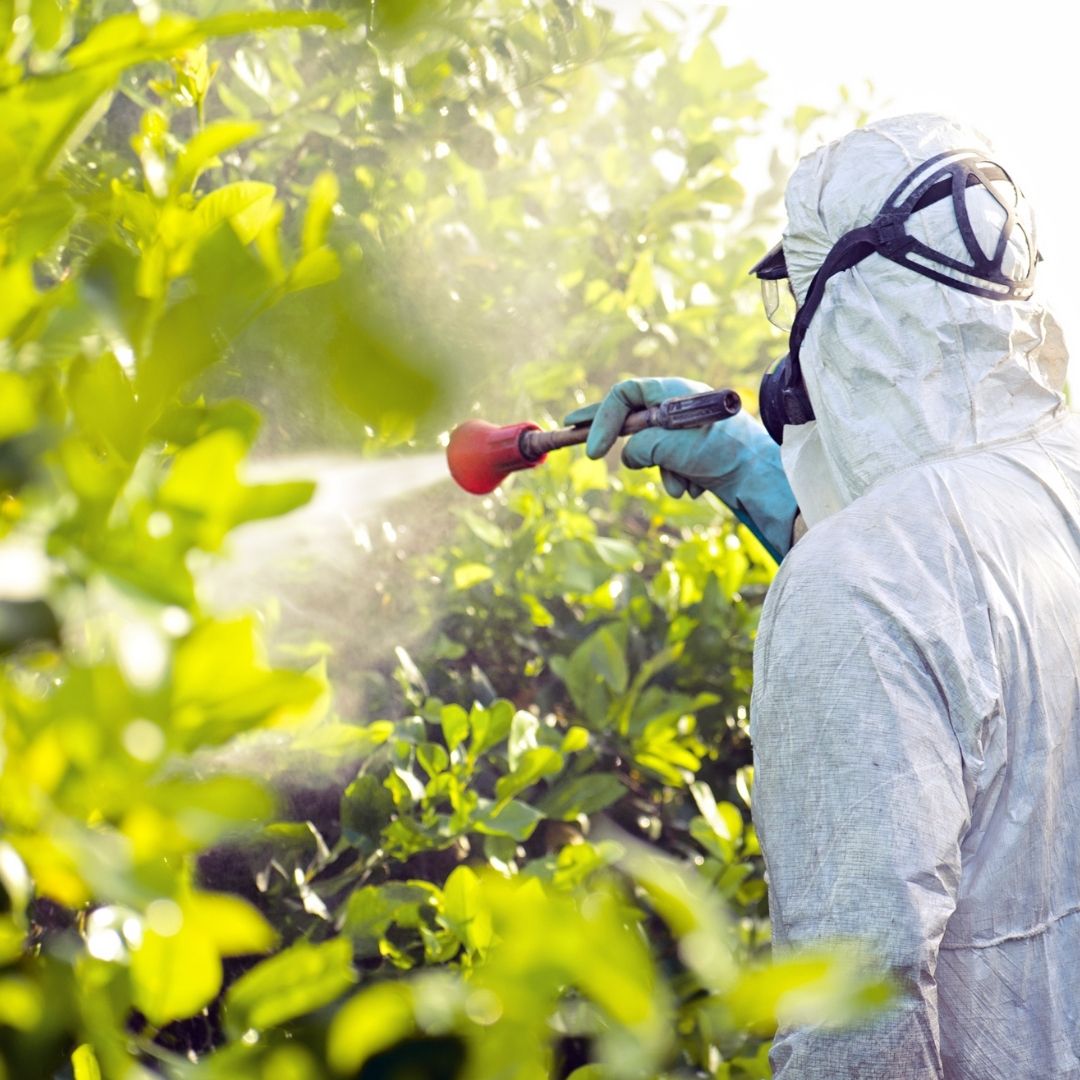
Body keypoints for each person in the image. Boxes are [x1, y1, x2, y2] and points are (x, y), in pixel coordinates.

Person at [577, 114, 1080, 1077]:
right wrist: (760, 477)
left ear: (845, 313)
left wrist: (824, 556)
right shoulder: (1056, 488)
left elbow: (860, 1007)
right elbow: (967, 618)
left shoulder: (854, 588)